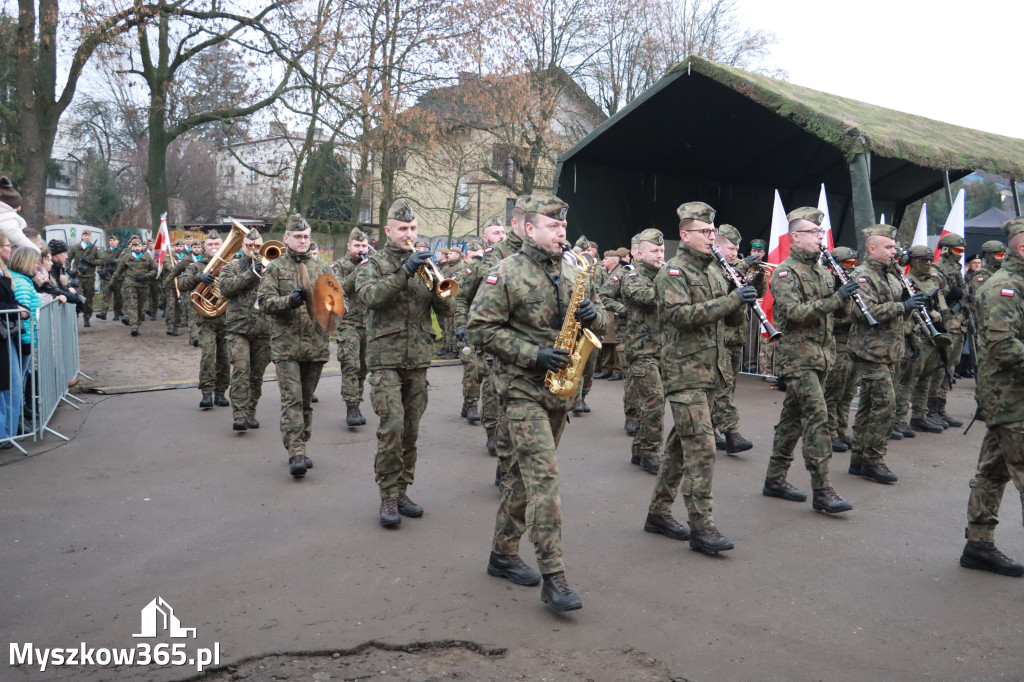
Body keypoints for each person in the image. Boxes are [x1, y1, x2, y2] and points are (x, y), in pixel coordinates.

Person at [469, 192, 604, 612]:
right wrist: (535, 354)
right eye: (553, 226)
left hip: (558, 390)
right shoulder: (505, 272)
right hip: (521, 388)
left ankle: (502, 554)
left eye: (564, 226)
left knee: (526, 480)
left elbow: (596, 317)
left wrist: (591, 315)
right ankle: (554, 576)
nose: (562, 233)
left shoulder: (571, 268)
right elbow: (479, 330)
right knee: (545, 480)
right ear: (529, 228)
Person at [647, 201, 756, 554]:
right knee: (703, 450)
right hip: (684, 372)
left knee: (681, 447)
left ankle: (658, 513)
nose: (712, 237)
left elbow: (728, 323)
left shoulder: (713, 272)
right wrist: (730, 301)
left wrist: (740, 301)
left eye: (713, 232)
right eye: (705, 232)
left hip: (710, 371)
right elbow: (681, 316)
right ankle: (702, 526)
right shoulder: (673, 273)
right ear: (684, 235)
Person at [356, 199, 456, 526]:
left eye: (413, 229)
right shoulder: (374, 262)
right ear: (388, 230)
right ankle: (387, 495)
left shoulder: (425, 264)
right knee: (393, 426)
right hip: (384, 359)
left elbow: (446, 311)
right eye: (402, 229)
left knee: (411, 430)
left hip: (418, 359)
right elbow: (373, 297)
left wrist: (442, 291)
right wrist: (406, 270)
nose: (408, 234)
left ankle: (402, 489)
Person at [761, 207, 854, 513]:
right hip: (799, 358)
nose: (819, 238)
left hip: (822, 355)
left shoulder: (824, 270)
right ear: (796, 237)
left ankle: (775, 478)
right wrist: (835, 299)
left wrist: (845, 297)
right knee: (817, 418)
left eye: (820, 233)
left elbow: (841, 315)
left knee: (792, 420)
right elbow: (794, 313)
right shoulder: (786, 272)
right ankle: (823, 489)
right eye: (813, 233)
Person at [958, 216, 1024, 578]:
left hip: (1012, 397)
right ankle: (979, 544)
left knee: (992, 470)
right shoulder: (1004, 288)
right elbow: (1003, 346)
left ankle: (978, 544)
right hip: (1010, 397)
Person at [848, 225, 925, 484]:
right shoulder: (862, 274)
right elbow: (864, 311)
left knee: (870, 405)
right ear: (872, 249)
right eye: (889, 247)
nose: (895, 251)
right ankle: (873, 459)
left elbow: (896, 312)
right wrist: (901, 305)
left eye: (894, 247)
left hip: (890, 351)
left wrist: (909, 303)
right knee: (885, 405)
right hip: (871, 351)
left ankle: (858, 458)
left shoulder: (892, 275)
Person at [257, 215, 331, 477]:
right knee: (292, 400)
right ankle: (296, 452)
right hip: (286, 346)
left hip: (315, 345)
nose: (302, 240)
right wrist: (289, 300)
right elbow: (264, 302)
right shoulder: (275, 268)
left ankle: (301, 444)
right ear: (286, 238)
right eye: (297, 236)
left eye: (306, 237)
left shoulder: (323, 268)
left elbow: (335, 306)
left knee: (306, 401)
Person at [709, 224, 759, 453]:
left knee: (727, 389)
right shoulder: (712, 267)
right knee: (722, 387)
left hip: (736, 336)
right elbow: (719, 298)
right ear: (717, 246)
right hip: (719, 337)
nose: (734, 252)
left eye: (737, 248)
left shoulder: (734, 267)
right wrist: (739, 268)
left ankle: (711, 429)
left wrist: (756, 277)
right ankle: (731, 433)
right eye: (731, 248)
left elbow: (759, 293)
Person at [620, 228, 665, 475]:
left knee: (650, 403)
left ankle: (639, 450)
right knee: (654, 401)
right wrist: (671, 279)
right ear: (638, 254)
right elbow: (648, 298)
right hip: (641, 351)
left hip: (664, 350)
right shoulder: (633, 276)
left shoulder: (666, 275)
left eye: (662, 250)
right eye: (654, 250)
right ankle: (650, 453)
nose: (660, 255)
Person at [219, 229, 271, 432]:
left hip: (263, 329)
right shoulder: (231, 267)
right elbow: (226, 288)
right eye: (250, 246)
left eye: (258, 246)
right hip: (237, 329)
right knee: (241, 371)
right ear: (243, 247)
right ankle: (239, 414)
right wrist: (251, 273)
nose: (254, 250)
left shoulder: (270, 267)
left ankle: (250, 412)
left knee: (256, 375)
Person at [893, 245, 948, 435]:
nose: (928, 263)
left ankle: (919, 416)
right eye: (923, 260)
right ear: (913, 261)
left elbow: (940, 307)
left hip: (932, 337)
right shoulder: (907, 282)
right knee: (908, 380)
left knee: (927, 378)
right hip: (915, 337)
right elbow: (904, 314)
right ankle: (899, 419)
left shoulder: (932, 282)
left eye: (929, 259)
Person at [178, 231, 230, 408]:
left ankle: (221, 392)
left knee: (225, 357)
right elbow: (181, 283)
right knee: (208, 354)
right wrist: (198, 277)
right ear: (204, 247)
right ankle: (207, 393)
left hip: (226, 319)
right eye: (210, 245)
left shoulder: (230, 265)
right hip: (205, 320)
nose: (214, 248)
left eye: (217, 244)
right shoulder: (196, 265)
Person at [331, 228, 370, 427]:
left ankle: (358, 399)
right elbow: (339, 290)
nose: (361, 249)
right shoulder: (338, 266)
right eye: (357, 246)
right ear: (349, 246)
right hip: (349, 324)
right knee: (351, 365)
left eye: (364, 246)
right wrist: (359, 270)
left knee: (364, 367)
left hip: (369, 324)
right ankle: (352, 407)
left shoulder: (372, 265)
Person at [823, 246, 860, 451]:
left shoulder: (851, 282)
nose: (851, 268)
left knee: (848, 391)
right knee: (834, 390)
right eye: (847, 264)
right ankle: (829, 431)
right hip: (837, 343)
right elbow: (830, 316)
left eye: (853, 264)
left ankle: (841, 428)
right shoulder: (830, 284)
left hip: (853, 343)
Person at [0, 235, 28, 445]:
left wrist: (21, 309)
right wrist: (15, 309)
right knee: (5, 386)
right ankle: (4, 434)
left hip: (8, 333)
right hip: (3, 334)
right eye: (8, 246)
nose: (11, 249)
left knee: (13, 384)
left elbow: (10, 299)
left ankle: (8, 433)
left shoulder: (4, 273)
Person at [112, 236, 157, 336]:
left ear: (142, 247)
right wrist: (112, 282)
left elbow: (154, 270)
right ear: (131, 247)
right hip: (130, 284)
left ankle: (137, 322)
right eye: (135, 245)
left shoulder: (147, 257)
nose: (137, 247)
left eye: (139, 245)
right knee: (133, 305)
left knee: (140, 307)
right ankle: (134, 327)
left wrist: (146, 276)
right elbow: (118, 271)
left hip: (143, 286)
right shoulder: (126, 258)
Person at [69, 230, 99, 327]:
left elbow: (101, 261)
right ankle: (75, 316)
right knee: (77, 296)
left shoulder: (94, 248)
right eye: (85, 235)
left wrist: (91, 261)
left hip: (90, 276)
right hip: (78, 276)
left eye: (89, 235)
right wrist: (68, 270)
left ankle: (87, 317)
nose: (87, 237)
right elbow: (68, 259)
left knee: (88, 298)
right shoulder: (75, 247)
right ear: (82, 236)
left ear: (91, 237)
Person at [0, 178, 39, 252]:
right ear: (12, 205)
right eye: (19, 205)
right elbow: (21, 240)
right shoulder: (7, 220)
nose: (20, 208)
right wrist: (38, 253)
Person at [162, 240, 188, 336]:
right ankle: (170, 325)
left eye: (181, 246)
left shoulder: (186, 257)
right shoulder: (169, 257)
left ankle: (176, 325)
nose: (179, 248)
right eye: (177, 246)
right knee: (171, 305)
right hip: (171, 284)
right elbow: (169, 267)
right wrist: (179, 267)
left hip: (182, 284)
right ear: (173, 247)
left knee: (180, 306)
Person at [96, 234, 124, 321]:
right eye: (110, 241)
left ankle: (116, 313)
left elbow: (122, 262)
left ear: (117, 241)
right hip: (107, 278)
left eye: (114, 240)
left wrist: (114, 260)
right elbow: (101, 262)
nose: (112, 242)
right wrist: (100, 271)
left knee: (118, 297)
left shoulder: (121, 252)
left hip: (117, 278)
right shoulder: (106, 252)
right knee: (106, 295)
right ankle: (103, 313)